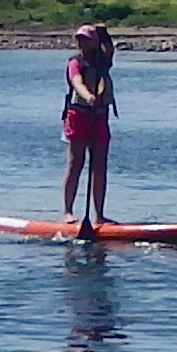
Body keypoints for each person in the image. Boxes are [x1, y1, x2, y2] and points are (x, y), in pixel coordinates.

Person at [57, 19, 118, 235]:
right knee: (76, 163)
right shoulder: (75, 61)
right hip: (79, 115)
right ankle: (68, 212)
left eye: (86, 40)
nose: (82, 43)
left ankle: (99, 215)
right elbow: (77, 82)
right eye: (79, 39)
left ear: (94, 42)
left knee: (99, 166)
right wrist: (89, 97)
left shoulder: (104, 61)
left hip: (100, 117)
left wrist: (103, 32)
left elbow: (110, 48)